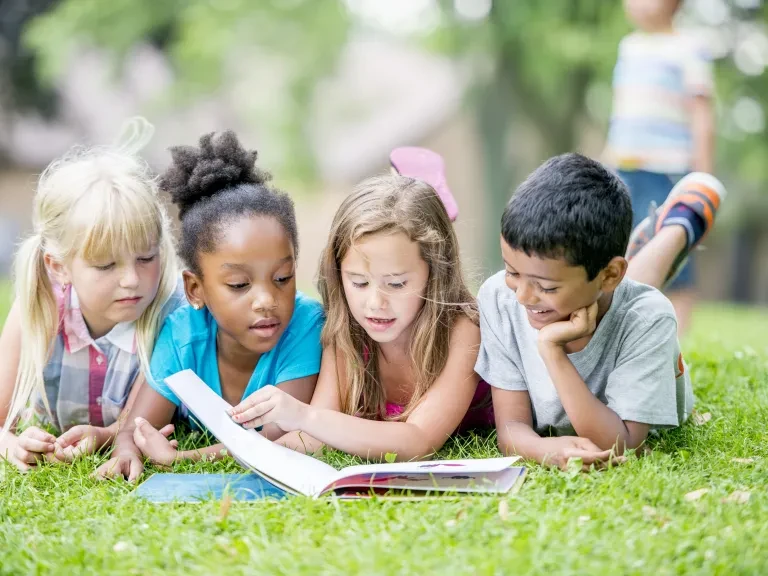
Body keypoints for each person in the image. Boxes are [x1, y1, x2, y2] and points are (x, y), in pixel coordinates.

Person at [97, 131, 324, 481]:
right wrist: (127, 449)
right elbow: (138, 425)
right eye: (239, 285)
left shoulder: (305, 325)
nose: (267, 301)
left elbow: (275, 435)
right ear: (195, 289)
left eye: (282, 278)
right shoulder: (182, 333)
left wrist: (184, 459)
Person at [228, 164, 493, 462]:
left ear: (435, 274)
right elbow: (316, 435)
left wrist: (304, 415)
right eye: (359, 282)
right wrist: (228, 451)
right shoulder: (347, 333)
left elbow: (418, 441)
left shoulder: (462, 331)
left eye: (395, 283)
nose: (375, 303)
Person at [478, 153, 725, 470]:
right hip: (606, 282)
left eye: (547, 286)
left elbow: (622, 444)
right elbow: (511, 428)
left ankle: (680, 225)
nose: (523, 297)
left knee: (632, 298)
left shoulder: (648, 318)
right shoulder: (500, 297)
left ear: (609, 274)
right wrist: (542, 450)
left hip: (622, 296)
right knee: (620, 290)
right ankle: (653, 240)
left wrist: (552, 351)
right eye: (512, 272)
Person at [0, 129, 183, 472]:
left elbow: (138, 427)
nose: (132, 280)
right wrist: (10, 445)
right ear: (58, 266)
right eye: (106, 265)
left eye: (146, 258)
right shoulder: (39, 306)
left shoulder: (170, 313)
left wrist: (105, 436)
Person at [604, 0, 715, 335]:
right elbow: (620, 114)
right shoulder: (629, 48)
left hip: (668, 168)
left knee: (674, 248)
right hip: (625, 168)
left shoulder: (689, 48)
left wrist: (703, 177)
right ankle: (631, 334)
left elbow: (701, 115)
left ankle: (680, 340)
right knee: (627, 251)